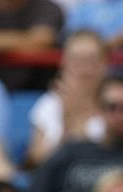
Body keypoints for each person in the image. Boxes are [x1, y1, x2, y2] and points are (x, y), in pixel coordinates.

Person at [26, 29, 108, 169]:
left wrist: (79, 119)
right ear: (64, 63)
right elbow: (35, 160)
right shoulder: (49, 103)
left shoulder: (119, 104)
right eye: (77, 60)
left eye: (92, 60)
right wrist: (67, 125)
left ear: (105, 63)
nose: (85, 68)